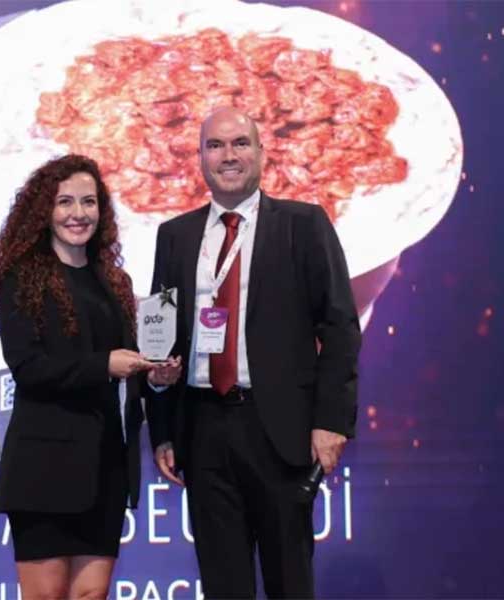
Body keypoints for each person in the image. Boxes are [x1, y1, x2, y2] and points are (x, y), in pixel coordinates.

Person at [145, 107, 361, 599]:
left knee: (290, 582)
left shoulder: (303, 225)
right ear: (199, 157)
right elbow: (159, 338)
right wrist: (162, 429)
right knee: (223, 585)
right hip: (202, 430)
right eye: (215, 145)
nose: (228, 156)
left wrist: (332, 421)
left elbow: (341, 328)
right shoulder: (174, 236)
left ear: (262, 153)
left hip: (279, 430)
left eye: (240, 143)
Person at [0, 154, 181, 600]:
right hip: (43, 463)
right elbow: (28, 368)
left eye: (89, 202)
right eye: (65, 201)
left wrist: (158, 377)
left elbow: (132, 364)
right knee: (46, 595)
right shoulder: (21, 279)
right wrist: (103, 365)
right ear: (44, 211)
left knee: (92, 594)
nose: (78, 213)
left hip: (105, 462)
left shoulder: (115, 282)